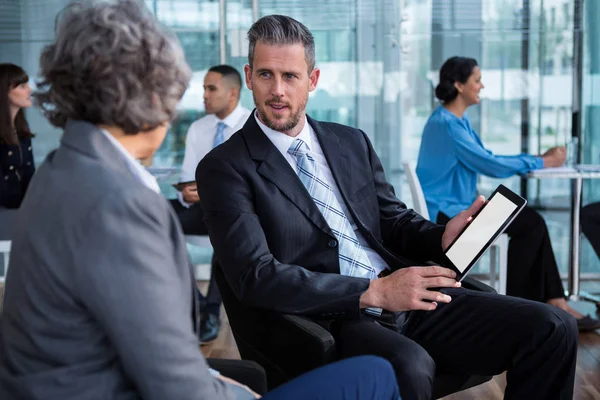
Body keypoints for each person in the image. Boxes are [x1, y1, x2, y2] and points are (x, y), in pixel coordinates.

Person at [0, 2, 402, 400]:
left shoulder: (61, 168)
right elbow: (175, 384)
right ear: (155, 95)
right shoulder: (120, 203)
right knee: (376, 376)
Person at [196, 14, 578, 400]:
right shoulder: (225, 167)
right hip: (333, 315)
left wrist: (440, 235)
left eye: (290, 76)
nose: (277, 90)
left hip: (407, 292)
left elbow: (394, 221)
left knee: (554, 327)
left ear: (312, 80)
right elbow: (255, 276)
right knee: (409, 366)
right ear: (248, 77)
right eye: (265, 75)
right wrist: (373, 292)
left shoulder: (350, 142)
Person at [416, 56, 600, 331]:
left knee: (531, 221)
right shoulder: (447, 125)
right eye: (477, 80)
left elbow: (487, 157)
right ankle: (524, 307)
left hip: (459, 208)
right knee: (531, 223)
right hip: (451, 217)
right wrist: (542, 161)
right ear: (459, 85)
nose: (482, 85)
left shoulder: (455, 122)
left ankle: (552, 301)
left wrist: (538, 159)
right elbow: (490, 164)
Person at [170, 64, 251, 344]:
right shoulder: (197, 128)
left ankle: (212, 311)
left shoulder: (251, 127)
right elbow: (186, 175)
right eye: (203, 88)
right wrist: (186, 193)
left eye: (210, 88)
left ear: (232, 93)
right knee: (158, 215)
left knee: (228, 225)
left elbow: (248, 185)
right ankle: (196, 302)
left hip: (233, 211)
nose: (204, 95)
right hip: (200, 207)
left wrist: (210, 193)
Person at [0, 63, 35, 209]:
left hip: (23, 213)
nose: (30, 90)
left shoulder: (22, 131)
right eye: (22, 86)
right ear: (4, 92)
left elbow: (30, 175)